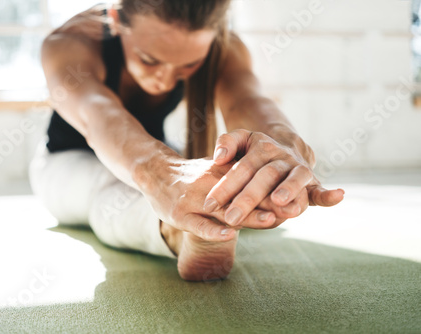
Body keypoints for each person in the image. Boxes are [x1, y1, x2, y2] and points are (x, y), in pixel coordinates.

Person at [29, 0, 344, 282]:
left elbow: (246, 102)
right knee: (114, 193)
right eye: (149, 59)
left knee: (218, 174)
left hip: (156, 148)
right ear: (115, 18)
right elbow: (100, 119)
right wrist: (162, 175)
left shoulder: (225, 47)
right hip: (66, 163)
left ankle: (201, 219)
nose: (165, 80)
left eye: (187, 66)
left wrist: (279, 149)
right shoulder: (68, 42)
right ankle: (177, 234)